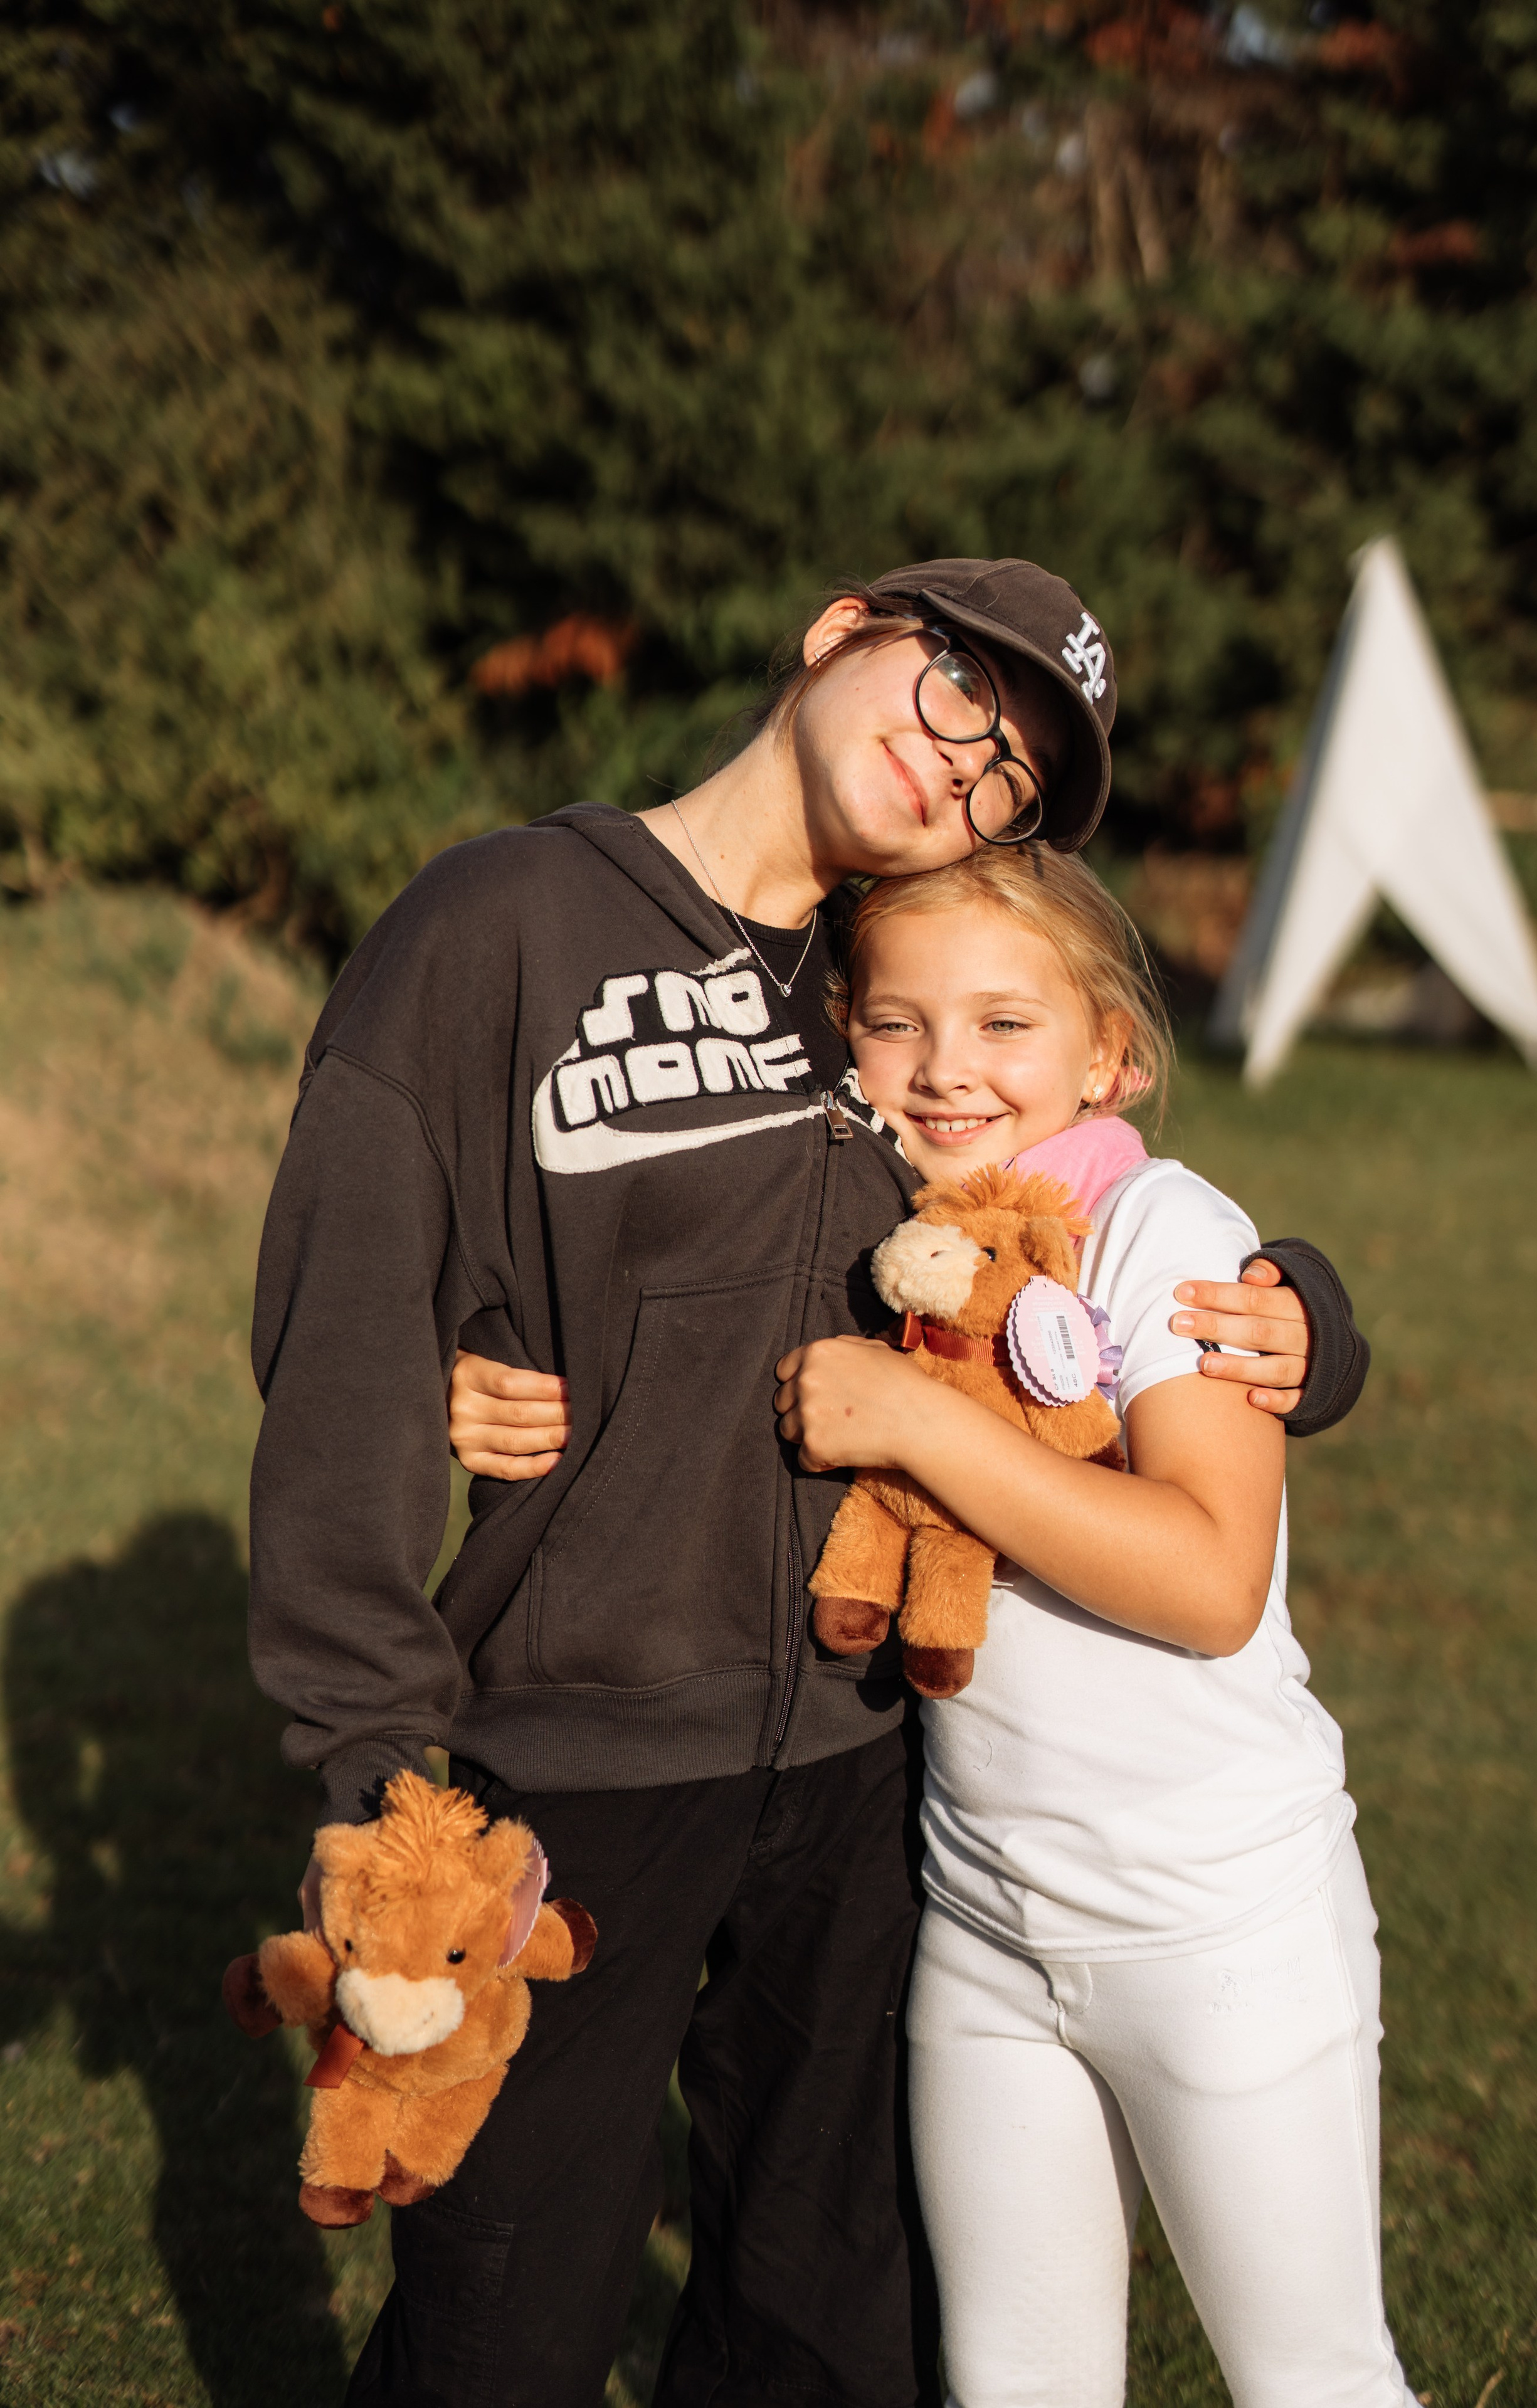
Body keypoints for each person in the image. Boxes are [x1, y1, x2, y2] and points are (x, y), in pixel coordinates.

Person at [248, 559, 1366, 2408]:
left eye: (1008, 775)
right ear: (841, 630)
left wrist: (1305, 1317)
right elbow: (348, 1328)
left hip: (874, 1774)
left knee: (828, 2336)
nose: (963, 767)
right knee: (504, 2321)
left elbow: (1076, 1196)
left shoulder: (895, 977)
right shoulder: (502, 924)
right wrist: (372, 1763)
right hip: (580, 1754)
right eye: (958, 692)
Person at [763, 845, 1412, 2407]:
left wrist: (918, 1426)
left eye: (1004, 1024)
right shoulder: (870, 1237)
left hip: (1221, 1932)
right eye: (895, 1023)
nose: (944, 1069)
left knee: (1311, 2382)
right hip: (985, 1937)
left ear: (1108, 1054)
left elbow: (1207, 1579)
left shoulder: (1160, 1229)